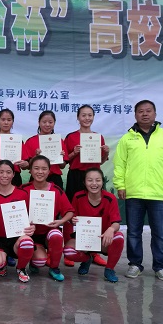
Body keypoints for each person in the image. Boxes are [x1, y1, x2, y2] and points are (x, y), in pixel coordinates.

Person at [113, 100, 163, 281]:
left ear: (155, 114)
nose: (145, 114)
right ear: (135, 115)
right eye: (141, 111)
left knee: (159, 233)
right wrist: (121, 185)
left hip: (159, 193)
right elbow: (120, 164)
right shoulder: (127, 138)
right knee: (133, 232)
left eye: (148, 111)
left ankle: (161, 267)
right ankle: (135, 264)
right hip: (134, 193)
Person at [63, 104, 110, 268]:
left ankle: (93, 252)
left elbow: (101, 162)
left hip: (93, 177)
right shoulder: (71, 137)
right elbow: (65, 161)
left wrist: (106, 152)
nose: (87, 118)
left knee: (94, 213)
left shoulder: (98, 137)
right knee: (71, 212)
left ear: (93, 117)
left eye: (90, 115)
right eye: (83, 115)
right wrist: (74, 152)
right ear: (78, 117)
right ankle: (69, 251)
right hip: (76, 176)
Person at [62, 168, 125, 282]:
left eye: (98, 180)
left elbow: (116, 223)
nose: (94, 183)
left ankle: (109, 269)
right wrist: (72, 219)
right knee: (68, 251)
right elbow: (71, 217)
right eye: (90, 180)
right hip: (85, 238)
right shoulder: (78, 196)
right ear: (84, 182)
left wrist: (111, 229)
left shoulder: (110, 198)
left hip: (103, 239)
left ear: (103, 182)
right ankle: (87, 259)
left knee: (119, 237)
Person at [22, 155, 74, 281]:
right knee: (39, 261)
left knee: (56, 235)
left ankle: (54, 267)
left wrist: (61, 221)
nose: (40, 172)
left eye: (44, 169)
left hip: (48, 231)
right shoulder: (23, 189)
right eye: (36, 168)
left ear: (49, 171)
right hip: (30, 233)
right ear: (30, 170)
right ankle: (33, 262)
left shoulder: (56, 190)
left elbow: (70, 212)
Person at [0, 160, 36, 283]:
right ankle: (2, 263)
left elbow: (31, 217)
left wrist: (32, 226)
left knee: (27, 242)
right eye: (1, 172)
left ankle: (21, 268)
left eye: (8, 172)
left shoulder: (23, 194)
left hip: (16, 238)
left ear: (13, 174)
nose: (4, 175)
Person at [23, 110, 66, 190]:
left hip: (55, 178)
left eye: (50, 122)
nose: (47, 124)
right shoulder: (31, 141)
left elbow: (62, 166)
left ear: (54, 123)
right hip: (36, 177)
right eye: (44, 122)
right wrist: (36, 157)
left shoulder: (58, 141)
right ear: (39, 122)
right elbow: (27, 166)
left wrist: (60, 158)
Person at [0, 108, 28, 188]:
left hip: (14, 177)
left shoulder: (18, 140)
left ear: (12, 122)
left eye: (9, 120)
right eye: (3, 120)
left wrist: (25, 164)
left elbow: (25, 166)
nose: (6, 122)